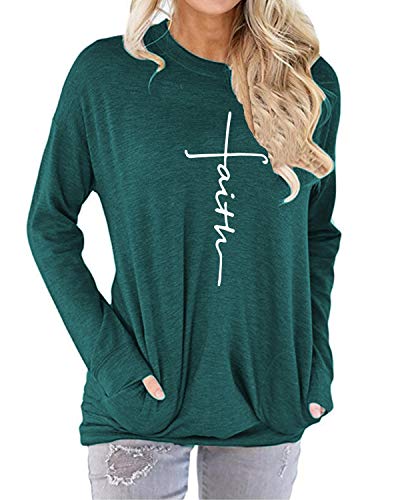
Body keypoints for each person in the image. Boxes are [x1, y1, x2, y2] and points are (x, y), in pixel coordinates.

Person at [26, 0, 342, 498]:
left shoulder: (306, 82)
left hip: (270, 398)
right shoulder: (105, 76)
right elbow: (49, 224)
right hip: (140, 400)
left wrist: (315, 361)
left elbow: (316, 235)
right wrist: (111, 359)